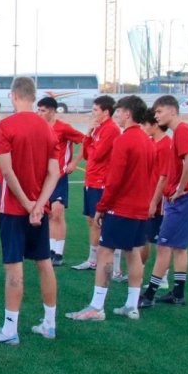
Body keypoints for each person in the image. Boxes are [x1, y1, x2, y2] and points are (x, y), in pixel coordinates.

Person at [0, 77, 60, 345]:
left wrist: (28, 204)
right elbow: (55, 172)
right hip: (38, 211)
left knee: (14, 267)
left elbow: (6, 169)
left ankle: (10, 330)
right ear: (34, 96)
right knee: (44, 263)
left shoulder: (6, 125)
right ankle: (49, 324)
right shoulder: (48, 128)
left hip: (15, 209)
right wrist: (39, 205)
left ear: (13, 95)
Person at [66, 96, 154, 322]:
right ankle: (132, 306)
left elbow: (114, 179)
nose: (117, 116)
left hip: (121, 207)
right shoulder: (147, 140)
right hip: (139, 207)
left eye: (119, 112)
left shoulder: (124, 140)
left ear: (127, 114)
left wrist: (102, 207)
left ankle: (97, 306)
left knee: (105, 251)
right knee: (133, 252)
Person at [140, 95, 188, 308]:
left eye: (159, 112)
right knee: (179, 248)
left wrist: (180, 188)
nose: (156, 116)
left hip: (181, 198)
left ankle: (149, 295)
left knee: (164, 247)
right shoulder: (181, 131)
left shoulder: (182, 131)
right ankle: (178, 293)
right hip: (184, 198)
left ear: (172, 111)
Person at [36, 96, 86, 267]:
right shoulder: (40, 127)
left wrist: (74, 162)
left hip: (59, 176)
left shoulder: (63, 128)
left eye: (42, 110)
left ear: (51, 111)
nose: (39, 113)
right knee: (49, 213)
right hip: (43, 177)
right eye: (39, 110)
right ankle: (50, 249)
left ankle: (59, 252)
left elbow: (85, 141)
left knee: (58, 212)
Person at [71, 95, 119, 272]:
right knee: (91, 220)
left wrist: (90, 143)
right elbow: (86, 154)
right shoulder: (97, 129)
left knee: (102, 222)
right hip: (90, 180)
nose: (93, 113)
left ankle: (113, 265)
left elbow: (97, 156)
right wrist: (89, 135)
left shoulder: (111, 130)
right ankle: (93, 259)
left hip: (101, 182)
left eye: (95, 110)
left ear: (106, 112)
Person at [139, 110, 172, 266]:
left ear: (154, 125)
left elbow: (164, 178)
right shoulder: (151, 142)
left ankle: (162, 279)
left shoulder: (166, 145)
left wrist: (153, 202)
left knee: (160, 240)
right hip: (147, 197)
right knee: (143, 237)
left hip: (159, 201)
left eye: (144, 124)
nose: (142, 127)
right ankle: (138, 272)